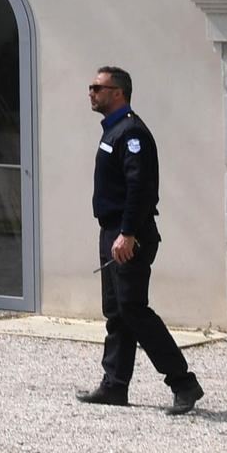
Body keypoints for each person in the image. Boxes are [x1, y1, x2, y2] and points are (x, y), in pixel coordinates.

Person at [75, 65, 204, 414]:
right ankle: (115, 385)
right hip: (113, 231)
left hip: (128, 234)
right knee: (116, 311)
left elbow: (140, 188)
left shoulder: (132, 133)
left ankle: (183, 383)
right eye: (91, 87)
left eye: (97, 88)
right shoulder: (113, 131)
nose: (91, 93)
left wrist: (127, 234)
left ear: (118, 93)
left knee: (134, 309)